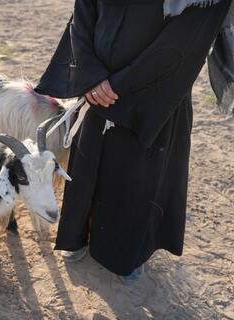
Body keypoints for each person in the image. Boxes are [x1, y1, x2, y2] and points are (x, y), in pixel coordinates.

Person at [35, 0, 232, 282]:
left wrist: (116, 86)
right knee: (91, 161)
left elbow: (185, 41)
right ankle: (77, 235)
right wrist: (90, 76)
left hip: (158, 91)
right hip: (97, 86)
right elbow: (82, 14)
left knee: (139, 173)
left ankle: (129, 252)